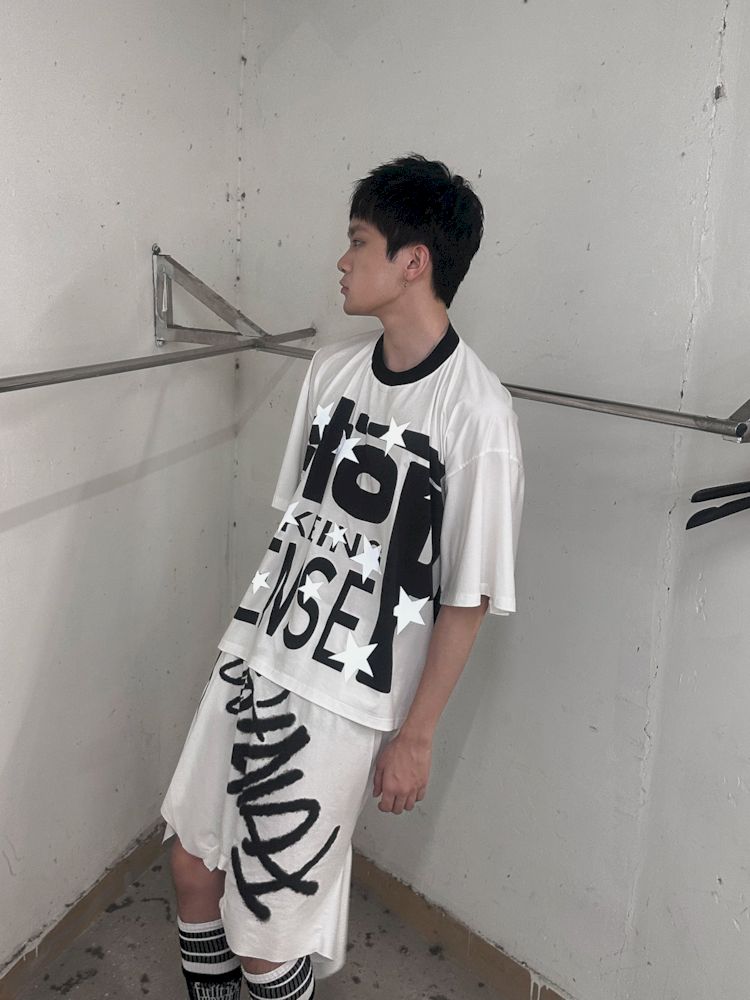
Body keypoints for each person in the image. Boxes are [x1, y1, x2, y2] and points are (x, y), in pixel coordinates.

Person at [160, 153, 525, 1000]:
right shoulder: (330, 372)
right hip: (258, 656)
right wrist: (249, 651)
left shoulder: (478, 414)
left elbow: (467, 598)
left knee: (267, 935)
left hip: (344, 701)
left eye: (358, 241)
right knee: (190, 866)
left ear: (413, 260)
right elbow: (297, 525)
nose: (342, 259)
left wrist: (416, 738)